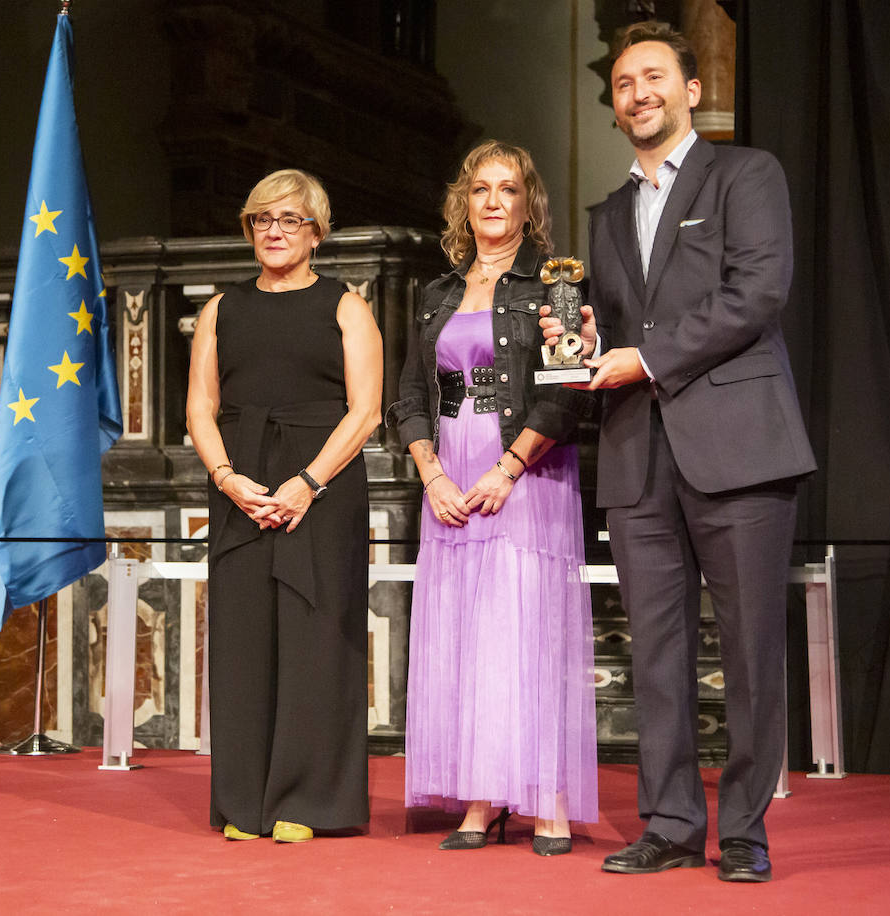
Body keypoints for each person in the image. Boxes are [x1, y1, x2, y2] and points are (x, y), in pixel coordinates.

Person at [543, 22, 816, 881]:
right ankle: (667, 823)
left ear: (691, 89)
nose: (639, 94)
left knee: (748, 654)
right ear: (615, 105)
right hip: (637, 454)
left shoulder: (745, 174)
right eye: (624, 84)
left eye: (654, 77)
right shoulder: (605, 213)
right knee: (654, 654)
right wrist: (586, 338)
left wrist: (646, 355)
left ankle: (743, 831)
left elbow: (758, 292)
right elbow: (624, 330)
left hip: (740, 448)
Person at [388, 140, 598, 856]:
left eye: (509, 190)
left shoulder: (560, 284)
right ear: (464, 201)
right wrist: (432, 474)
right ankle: (479, 799)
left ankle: (547, 798)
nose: (494, 202)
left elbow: (569, 393)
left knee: (527, 633)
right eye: (481, 189)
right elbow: (410, 397)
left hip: (525, 476)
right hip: (450, 480)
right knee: (468, 637)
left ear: (527, 203)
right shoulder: (436, 294)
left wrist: (507, 469)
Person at [186, 169, 382, 843]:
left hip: (321, 486)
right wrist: (227, 478)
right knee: (243, 642)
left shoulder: (346, 306)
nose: (274, 231)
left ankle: (309, 801)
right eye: (261, 219)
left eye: (290, 220)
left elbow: (366, 411)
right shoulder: (221, 308)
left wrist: (307, 482)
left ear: (317, 233)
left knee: (315, 640)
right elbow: (200, 407)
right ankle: (245, 803)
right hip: (240, 485)